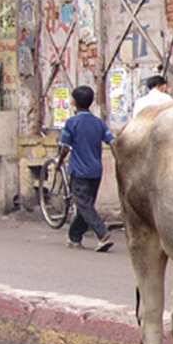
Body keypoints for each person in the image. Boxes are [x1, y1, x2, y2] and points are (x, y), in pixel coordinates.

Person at [57, 85, 115, 252]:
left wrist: (60, 162)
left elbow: (65, 147)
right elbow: (112, 142)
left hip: (79, 170)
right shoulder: (99, 123)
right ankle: (74, 237)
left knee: (84, 205)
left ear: (74, 103)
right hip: (96, 171)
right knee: (86, 205)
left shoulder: (71, 123)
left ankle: (102, 234)